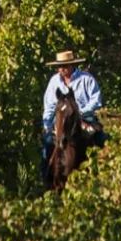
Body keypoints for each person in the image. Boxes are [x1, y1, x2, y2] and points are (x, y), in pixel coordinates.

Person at [41, 50, 105, 179]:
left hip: (85, 117)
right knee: (47, 143)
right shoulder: (54, 82)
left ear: (72, 65)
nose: (62, 69)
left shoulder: (86, 79)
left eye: (64, 66)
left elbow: (96, 100)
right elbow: (49, 105)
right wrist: (47, 124)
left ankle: (103, 170)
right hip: (60, 120)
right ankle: (46, 175)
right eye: (59, 66)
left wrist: (82, 112)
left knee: (100, 138)